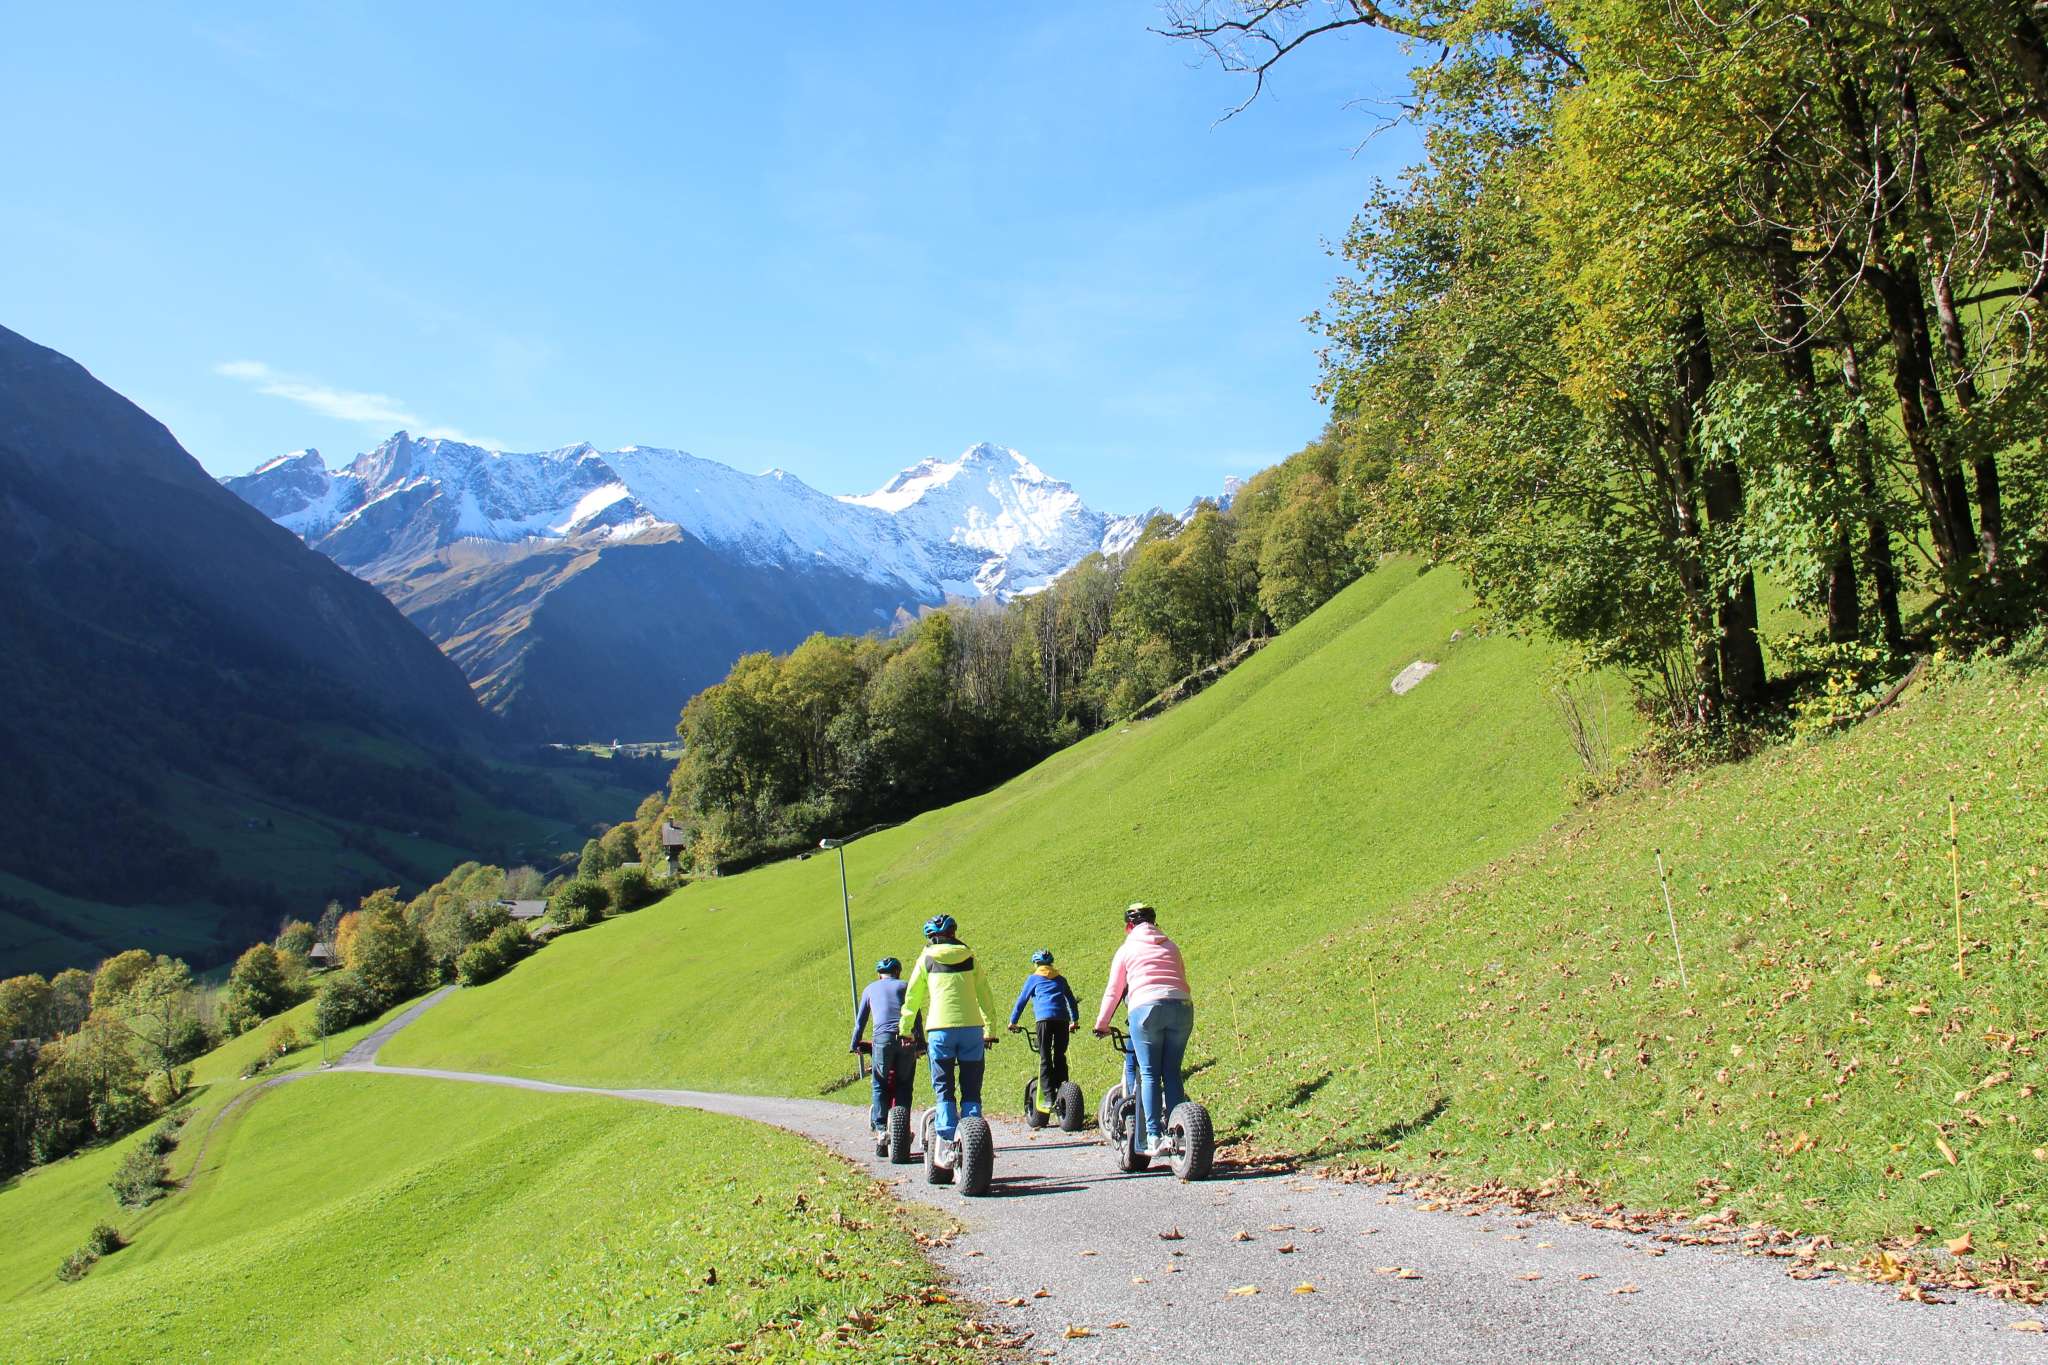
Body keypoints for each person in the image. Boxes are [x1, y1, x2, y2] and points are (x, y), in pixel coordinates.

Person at [1093, 902, 1192, 1158]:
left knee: (1149, 1073)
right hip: (1182, 1007)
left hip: (1146, 1009)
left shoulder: (1126, 949)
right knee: (1172, 1072)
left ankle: (1153, 1136)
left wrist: (1101, 1024)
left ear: (1129, 926)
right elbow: (1181, 977)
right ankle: (1179, 1132)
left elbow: (1114, 991)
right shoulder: (1171, 945)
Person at [901, 913, 1000, 1168]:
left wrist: (906, 1030)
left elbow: (912, 997)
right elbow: (985, 994)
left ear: (931, 937)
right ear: (954, 934)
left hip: (940, 1030)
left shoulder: (926, 958)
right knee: (971, 1089)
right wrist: (990, 1028)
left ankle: (945, 1144)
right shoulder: (970, 956)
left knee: (944, 1088)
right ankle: (973, 1139)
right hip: (972, 1030)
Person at [1008, 948, 1079, 1116]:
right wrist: (1074, 1020)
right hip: (1062, 1020)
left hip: (1043, 1021)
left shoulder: (1033, 979)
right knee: (1060, 1055)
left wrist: (1013, 1021)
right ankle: (1063, 1092)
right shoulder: (1060, 979)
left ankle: (1048, 1097)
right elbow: (1071, 1000)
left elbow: (1022, 1000)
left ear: (1036, 964)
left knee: (1045, 1057)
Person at [850, 956, 916, 1137]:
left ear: (879, 975)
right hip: (906, 1039)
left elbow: (860, 1022)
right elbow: (915, 1015)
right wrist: (920, 1043)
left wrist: (854, 1044)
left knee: (879, 1083)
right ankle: (902, 1129)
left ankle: (881, 1128)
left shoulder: (870, 989)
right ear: (898, 972)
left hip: (882, 1040)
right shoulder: (905, 986)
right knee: (904, 1084)